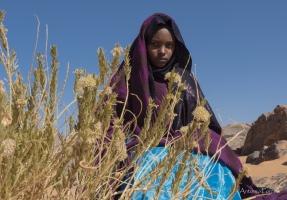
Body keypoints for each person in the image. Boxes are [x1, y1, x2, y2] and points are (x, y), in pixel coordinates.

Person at [107, 13, 287, 199]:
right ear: (144, 45)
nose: (163, 51)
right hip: (143, 151)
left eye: (169, 46)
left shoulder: (185, 80)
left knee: (212, 172)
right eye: (155, 45)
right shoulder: (127, 80)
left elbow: (207, 126)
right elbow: (109, 123)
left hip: (186, 147)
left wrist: (186, 137)